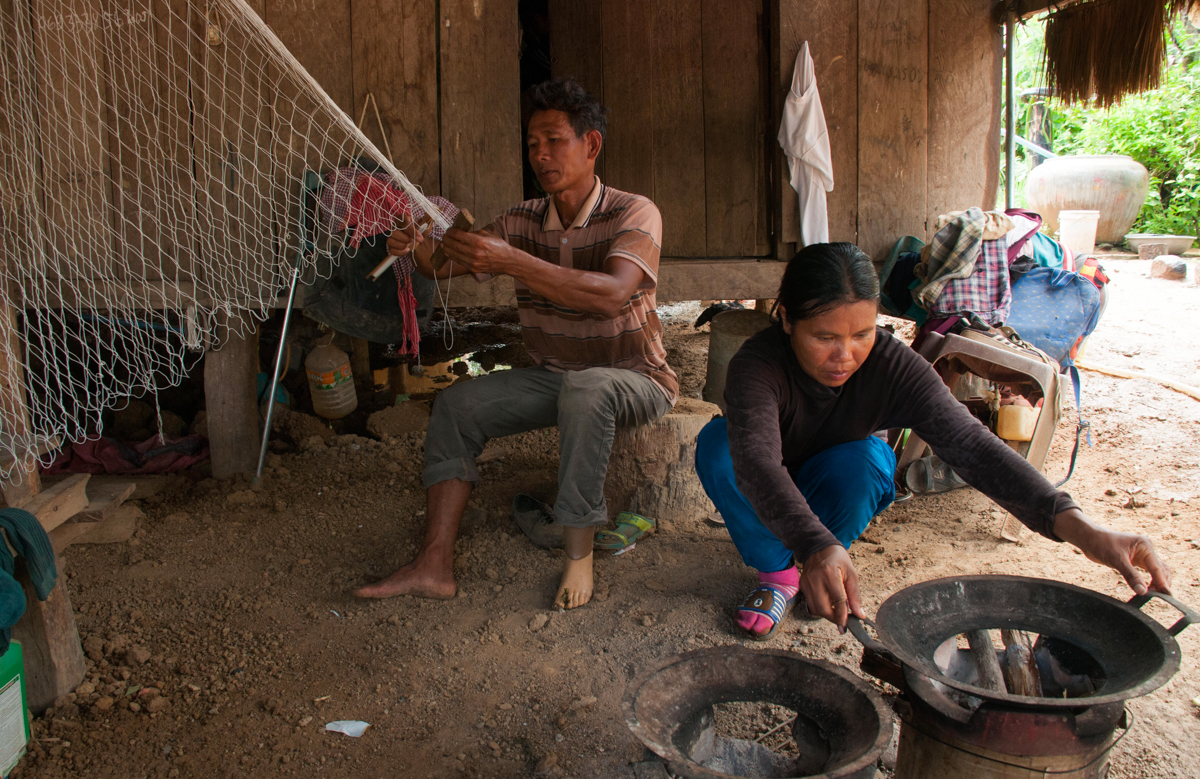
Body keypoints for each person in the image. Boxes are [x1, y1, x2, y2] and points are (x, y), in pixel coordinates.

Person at [695, 242, 1171, 639]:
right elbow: (758, 465)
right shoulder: (757, 365)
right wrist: (815, 544)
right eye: (824, 337)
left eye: (861, 333)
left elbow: (973, 446)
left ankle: (817, 559)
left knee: (863, 463)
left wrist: (1079, 527)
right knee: (719, 447)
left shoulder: (890, 365)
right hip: (773, 487)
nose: (846, 355)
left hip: (834, 484)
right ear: (785, 320)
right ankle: (780, 573)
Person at [354, 78, 677, 610]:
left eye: (554, 140)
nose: (541, 155)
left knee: (589, 388)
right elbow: (446, 264)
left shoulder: (634, 213)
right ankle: (433, 563)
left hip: (635, 379)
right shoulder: (519, 221)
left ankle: (578, 551)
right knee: (458, 405)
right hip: (555, 378)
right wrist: (417, 248)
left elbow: (613, 294)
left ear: (591, 145)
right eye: (533, 144)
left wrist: (510, 260)